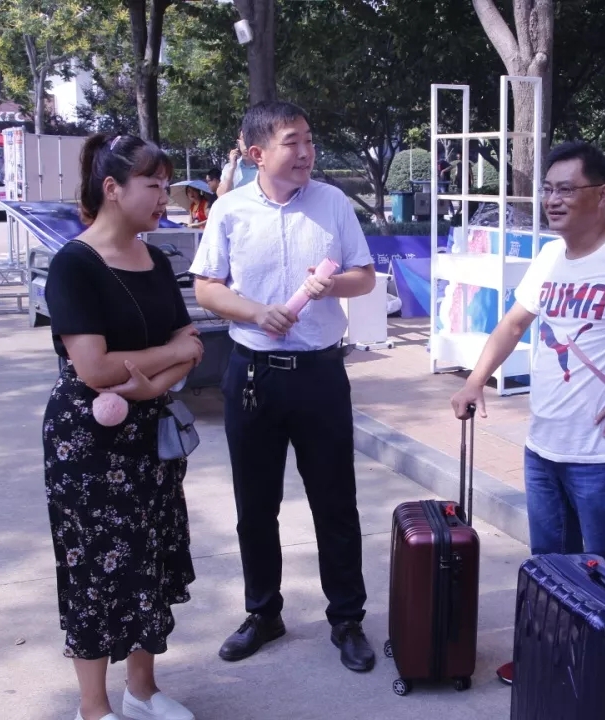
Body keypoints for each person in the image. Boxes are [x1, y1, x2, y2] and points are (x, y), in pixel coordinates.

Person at [449, 140, 605, 684]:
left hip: (602, 455)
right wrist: (474, 380)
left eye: (566, 189)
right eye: (548, 189)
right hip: (543, 446)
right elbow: (514, 323)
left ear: (602, 194)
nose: (552, 200)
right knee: (548, 565)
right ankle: (551, 665)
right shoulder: (549, 257)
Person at [190, 101, 379, 672]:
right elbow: (207, 287)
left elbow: (364, 277)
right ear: (256, 153)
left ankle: (346, 619)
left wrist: (329, 287)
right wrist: (254, 312)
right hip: (253, 374)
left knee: (335, 501)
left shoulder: (332, 203)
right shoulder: (229, 209)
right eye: (292, 142)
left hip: (320, 373)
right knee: (255, 505)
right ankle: (263, 613)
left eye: (309, 140)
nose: (305, 152)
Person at [42, 133, 204, 720]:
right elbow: (94, 368)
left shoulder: (156, 260)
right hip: (89, 444)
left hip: (150, 434)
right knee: (93, 566)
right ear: (112, 188)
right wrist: (167, 356)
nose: (165, 196)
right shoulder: (74, 264)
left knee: (149, 558)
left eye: (166, 185)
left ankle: (142, 690)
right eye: (153, 184)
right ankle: (94, 707)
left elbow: (192, 346)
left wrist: (152, 384)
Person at [215, 132, 258, 197]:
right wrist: (232, 167)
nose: (247, 142)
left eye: (250, 138)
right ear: (238, 142)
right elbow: (221, 195)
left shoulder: (264, 167)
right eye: (244, 138)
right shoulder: (230, 167)